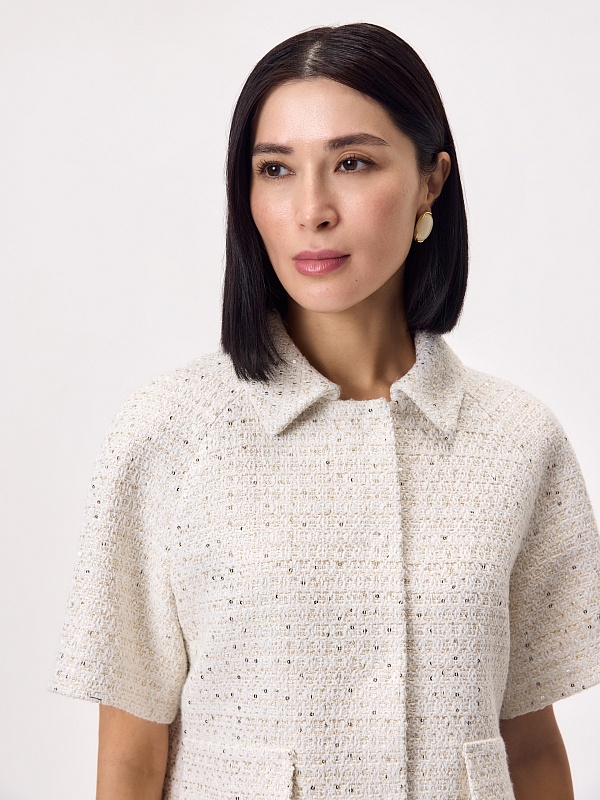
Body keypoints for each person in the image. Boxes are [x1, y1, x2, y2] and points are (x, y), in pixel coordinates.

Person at [49, 22, 600, 800]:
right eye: (276, 169)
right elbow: (132, 755)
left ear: (431, 181)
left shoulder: (516, 441)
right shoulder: (171, 432)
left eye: (352, 163)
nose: (311, 209)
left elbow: (531, 748)